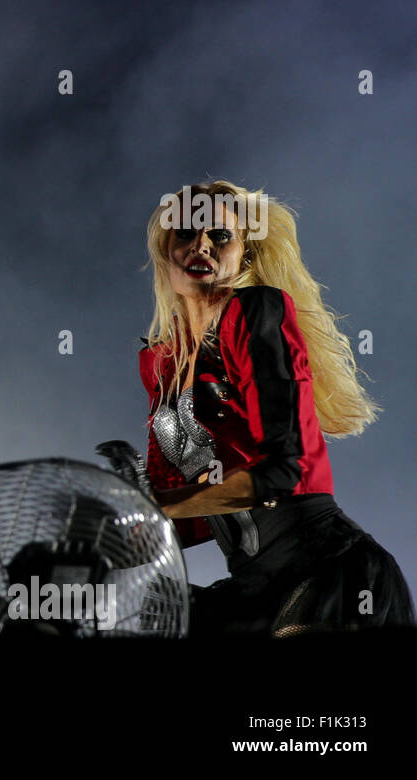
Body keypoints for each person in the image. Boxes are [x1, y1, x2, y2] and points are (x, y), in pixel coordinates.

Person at [138, 179, 414, 637]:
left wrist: (158, 507)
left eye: (220, 235)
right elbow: (181, 518)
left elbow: (281, 470)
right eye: (184, 233)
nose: (200, 244)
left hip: (328, 575)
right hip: (255, 588)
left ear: (243, 254)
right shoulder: (159, 361)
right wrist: (120, 516)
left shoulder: (255, 311)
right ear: (166, 250)